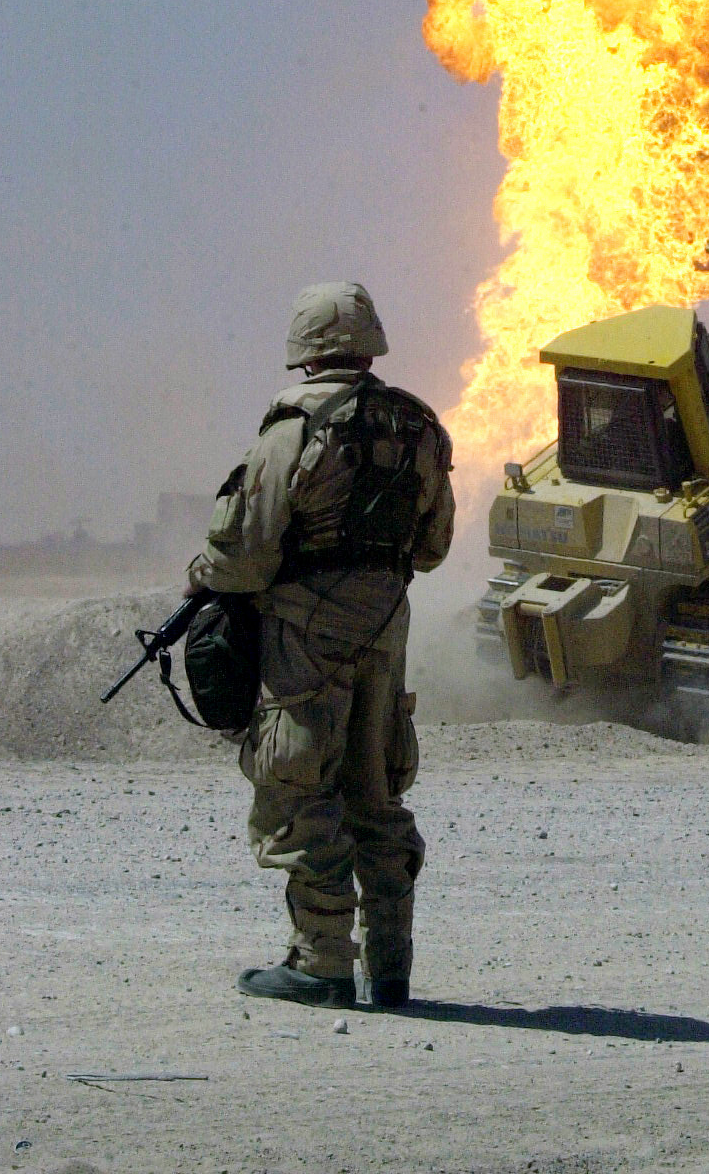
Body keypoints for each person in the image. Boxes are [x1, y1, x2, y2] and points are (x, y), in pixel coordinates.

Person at [187, 281, 454, 1010]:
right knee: (375, 791)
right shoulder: (419, 426)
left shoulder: (293, 427)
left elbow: (245, 555)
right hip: (386, 626)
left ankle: (322, 963)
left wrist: (202, 578)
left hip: (306, 632)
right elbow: (432, 548)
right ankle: (390, 966)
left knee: (300, 789)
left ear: (305, 348)